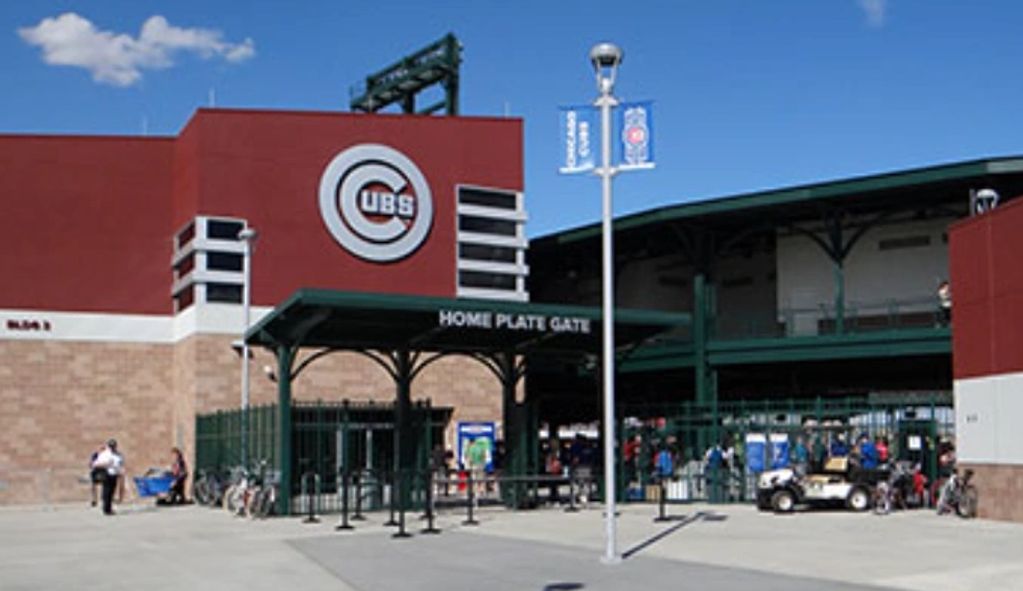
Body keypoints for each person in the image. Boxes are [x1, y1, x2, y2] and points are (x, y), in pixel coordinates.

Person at [91, 439, 124, 515]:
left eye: (114, 446)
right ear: (108, 446)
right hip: (106, 474)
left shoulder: (118, 455)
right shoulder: (104, 454)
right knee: (107, 491)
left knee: (112, 491)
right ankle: (106, 509)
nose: (112, 448)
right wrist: (106, 464)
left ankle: (109, 508)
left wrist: (121, 471)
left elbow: (120, 464)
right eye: (111, 446)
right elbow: (95, 464)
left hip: (114, 474)